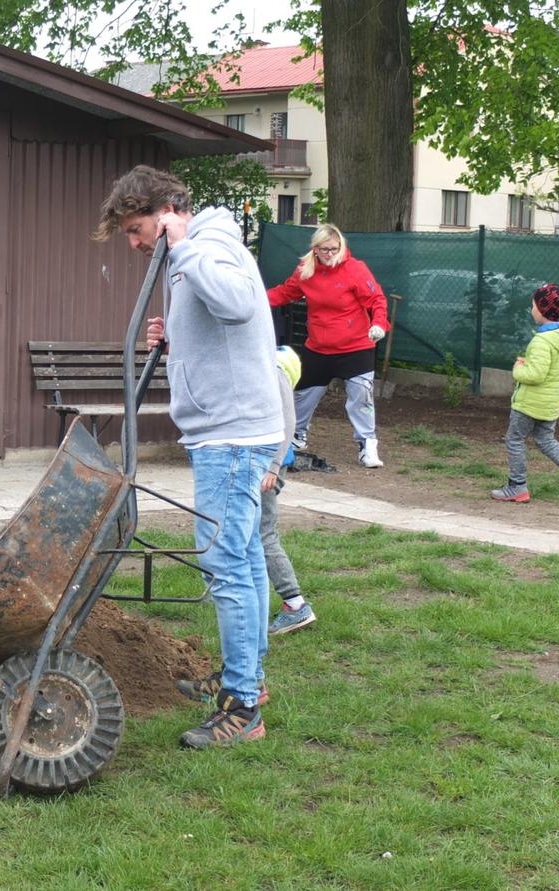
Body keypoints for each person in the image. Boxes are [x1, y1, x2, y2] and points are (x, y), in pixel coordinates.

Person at [95, 165, 283, 749]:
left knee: (225, 566)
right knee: (245, 560)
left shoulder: (206, 243)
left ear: (166, 211)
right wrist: (178, 336)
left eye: (135, 228)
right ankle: (243, 680)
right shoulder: (193, 253)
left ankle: (243, 709)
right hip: (229, 428)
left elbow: (238, 304)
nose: (134, 243)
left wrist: (182, 245)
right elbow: (219, 324)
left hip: (230, 435)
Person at [266, 223, 390, 469]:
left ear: (341, 247)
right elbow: (285, 293)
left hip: (356, 347)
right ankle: (297, 435)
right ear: (315, 250)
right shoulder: (306, 271)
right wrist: (253, 300)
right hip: (319, 347)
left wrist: (378, 324)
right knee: (303, 396)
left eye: (334, 249)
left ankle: (367, 444)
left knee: (361, 397)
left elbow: (376, 299)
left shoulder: (355, 269)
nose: (330, 254)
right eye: (324, 250)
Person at [491, 283, 559, 507]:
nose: (531, 310)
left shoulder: (542, 341)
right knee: (545, 439)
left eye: (533, 306)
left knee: (514, 440)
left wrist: (519, 368)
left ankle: (517, 487)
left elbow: (536, 374)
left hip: (529, 403)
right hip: (550, 404)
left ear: (541, 309)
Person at [262, 346, 316, 635]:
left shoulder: (275, 373)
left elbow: (287, 424)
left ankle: (295, 604)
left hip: (268, 468)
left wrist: (271, 467)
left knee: (263, 535)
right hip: (264, 464)